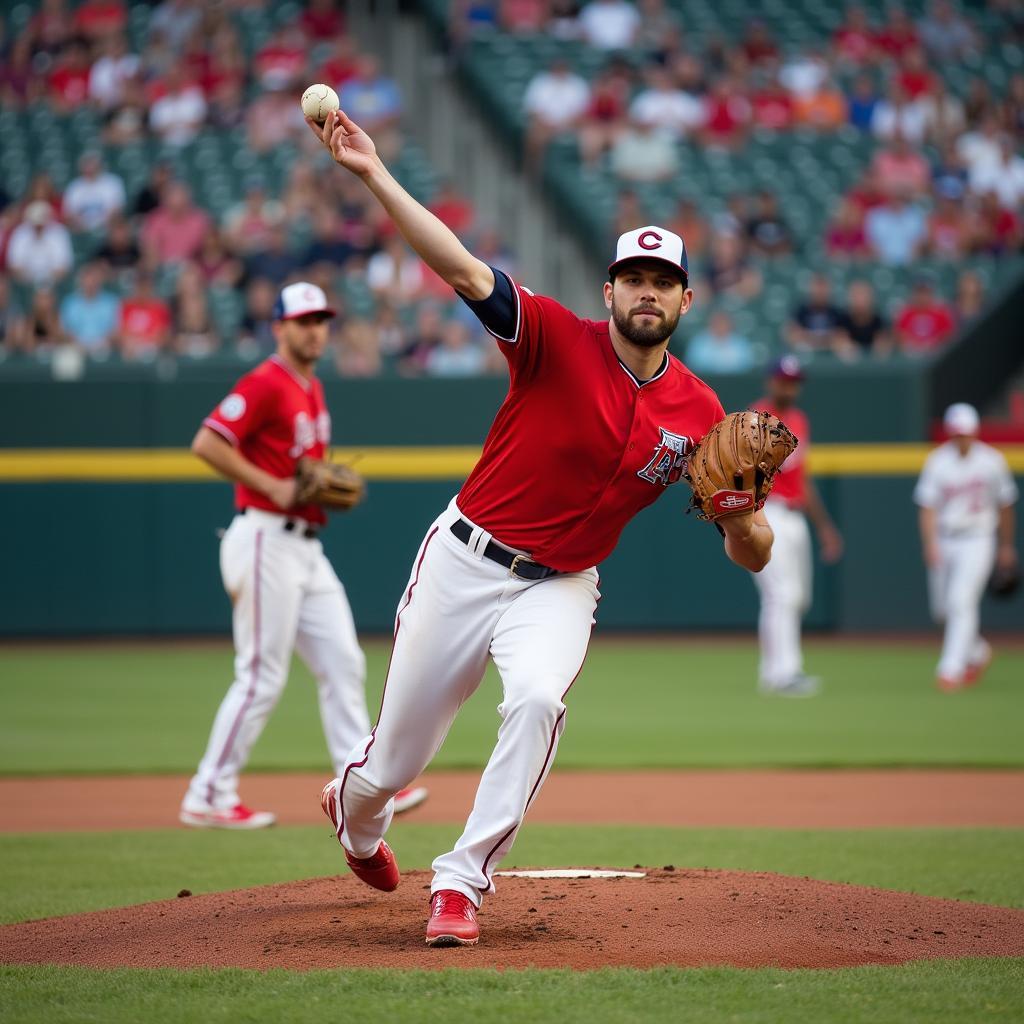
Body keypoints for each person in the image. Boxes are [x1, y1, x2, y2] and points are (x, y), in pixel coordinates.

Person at [306, 107, 774, 947]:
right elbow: (458, 267)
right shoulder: (554, 336)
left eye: (662, 281)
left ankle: (461, 881)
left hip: (561, 585)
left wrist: (744, 513)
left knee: (535, 699)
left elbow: (751, 555)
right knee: (393, 765)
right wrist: (373, 173)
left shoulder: (702, 412)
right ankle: (356, 808)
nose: (646, 290)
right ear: (610, 290)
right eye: (633, 276)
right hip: (463, 560)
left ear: (685, 299)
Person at [180, 281, 428, 829]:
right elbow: (207, 442)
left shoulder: (309, 386)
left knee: (343, 660)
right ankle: (208, 793)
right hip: (266, 536)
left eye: (322, 321)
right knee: (261, 675)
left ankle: (362, 784)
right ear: (280, 327)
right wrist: (270, 486)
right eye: (304, 321)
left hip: (303, 547)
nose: (315, 329)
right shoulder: (266, 382)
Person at [750, 357, 843, 697]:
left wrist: (825, 528)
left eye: (794, 381)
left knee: (797, 599)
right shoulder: (755, 420)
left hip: (795, 515)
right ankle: (783, 673)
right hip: (766, 512)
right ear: (770, 382)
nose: (788, 386)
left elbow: (802, 481)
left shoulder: (799, 420)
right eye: (782, 380)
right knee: (781, 595)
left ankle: (773, 669)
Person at [914, 403, 1018, 691]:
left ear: (975, 433)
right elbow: (927, 506)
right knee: (943, 611)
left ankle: (950, 670)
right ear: (950, 433)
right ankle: (978, 652)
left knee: (961, 601)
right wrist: (930, 542)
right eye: (958, 433)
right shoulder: (938, 461)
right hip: (946, 537)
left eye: (967, 433)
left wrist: (1006, 546)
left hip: (979, 537)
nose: (963, 438)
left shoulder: (991, 461)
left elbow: (1006, 504)